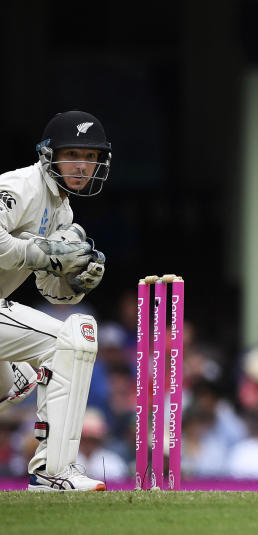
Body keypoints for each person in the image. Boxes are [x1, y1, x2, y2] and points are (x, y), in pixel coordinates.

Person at [0, 110, 109, 491]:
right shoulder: (20, 186)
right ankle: (53, 471)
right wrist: (44, 254)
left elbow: (50, 289)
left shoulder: (63, 209)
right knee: (70, 340)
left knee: (17, 382)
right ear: (49, 155)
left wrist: (75, 281)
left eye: (91, 157)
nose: (83, 166)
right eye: (73, 154)